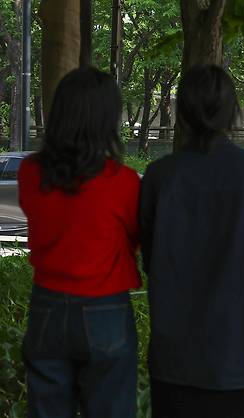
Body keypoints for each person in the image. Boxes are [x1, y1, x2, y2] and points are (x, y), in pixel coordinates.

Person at [139, 65, 244, 418]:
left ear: (183, 112)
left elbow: (149, 256)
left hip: (178, 353)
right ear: (231, 112)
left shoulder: (162, 176)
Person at [18, 68, 141, 417]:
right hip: (107, 310)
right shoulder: (125, 182)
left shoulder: (31, 173)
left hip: (47, 308)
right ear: (106, 120)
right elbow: (135, 241)